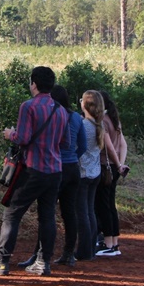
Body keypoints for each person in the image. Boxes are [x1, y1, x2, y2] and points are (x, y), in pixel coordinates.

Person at [0, 67, 68, 277]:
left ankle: (1, 262)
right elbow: (65, 143)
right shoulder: (61, 110)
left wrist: (11, 134)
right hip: (55, 171)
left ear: (34, 84)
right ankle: (42, 263)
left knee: (12, 214)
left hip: (32, 169)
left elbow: (23, 138)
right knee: (47, 217)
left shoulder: (28, 107)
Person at [18, 84, 86, 268]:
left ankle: (38, 256)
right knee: (69, 212)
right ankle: (68, 253)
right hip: (73, 169)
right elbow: (83, 145)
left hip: (54, 167)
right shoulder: (76, 117)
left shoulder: (53, 113)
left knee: (46, 213)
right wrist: (73, 158)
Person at [74, 90, 108, 262]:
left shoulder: (84, 125)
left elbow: (77, 149)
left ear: (85, 105)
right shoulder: (98, 124)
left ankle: (84, 251)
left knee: (82, 213)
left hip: (83, 173)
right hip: (95, 172)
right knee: (90, 212)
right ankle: (91, 248)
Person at [95, 90, 126, 256]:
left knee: (103, 205)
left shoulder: (103, 122)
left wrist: (116, 162)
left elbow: (109, 146)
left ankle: (107, 243)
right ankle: (114, 243)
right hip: (114, 167)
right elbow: (122, 145)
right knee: (110, 204)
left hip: (104, 166)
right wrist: (120, 164)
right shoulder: (115, 120)